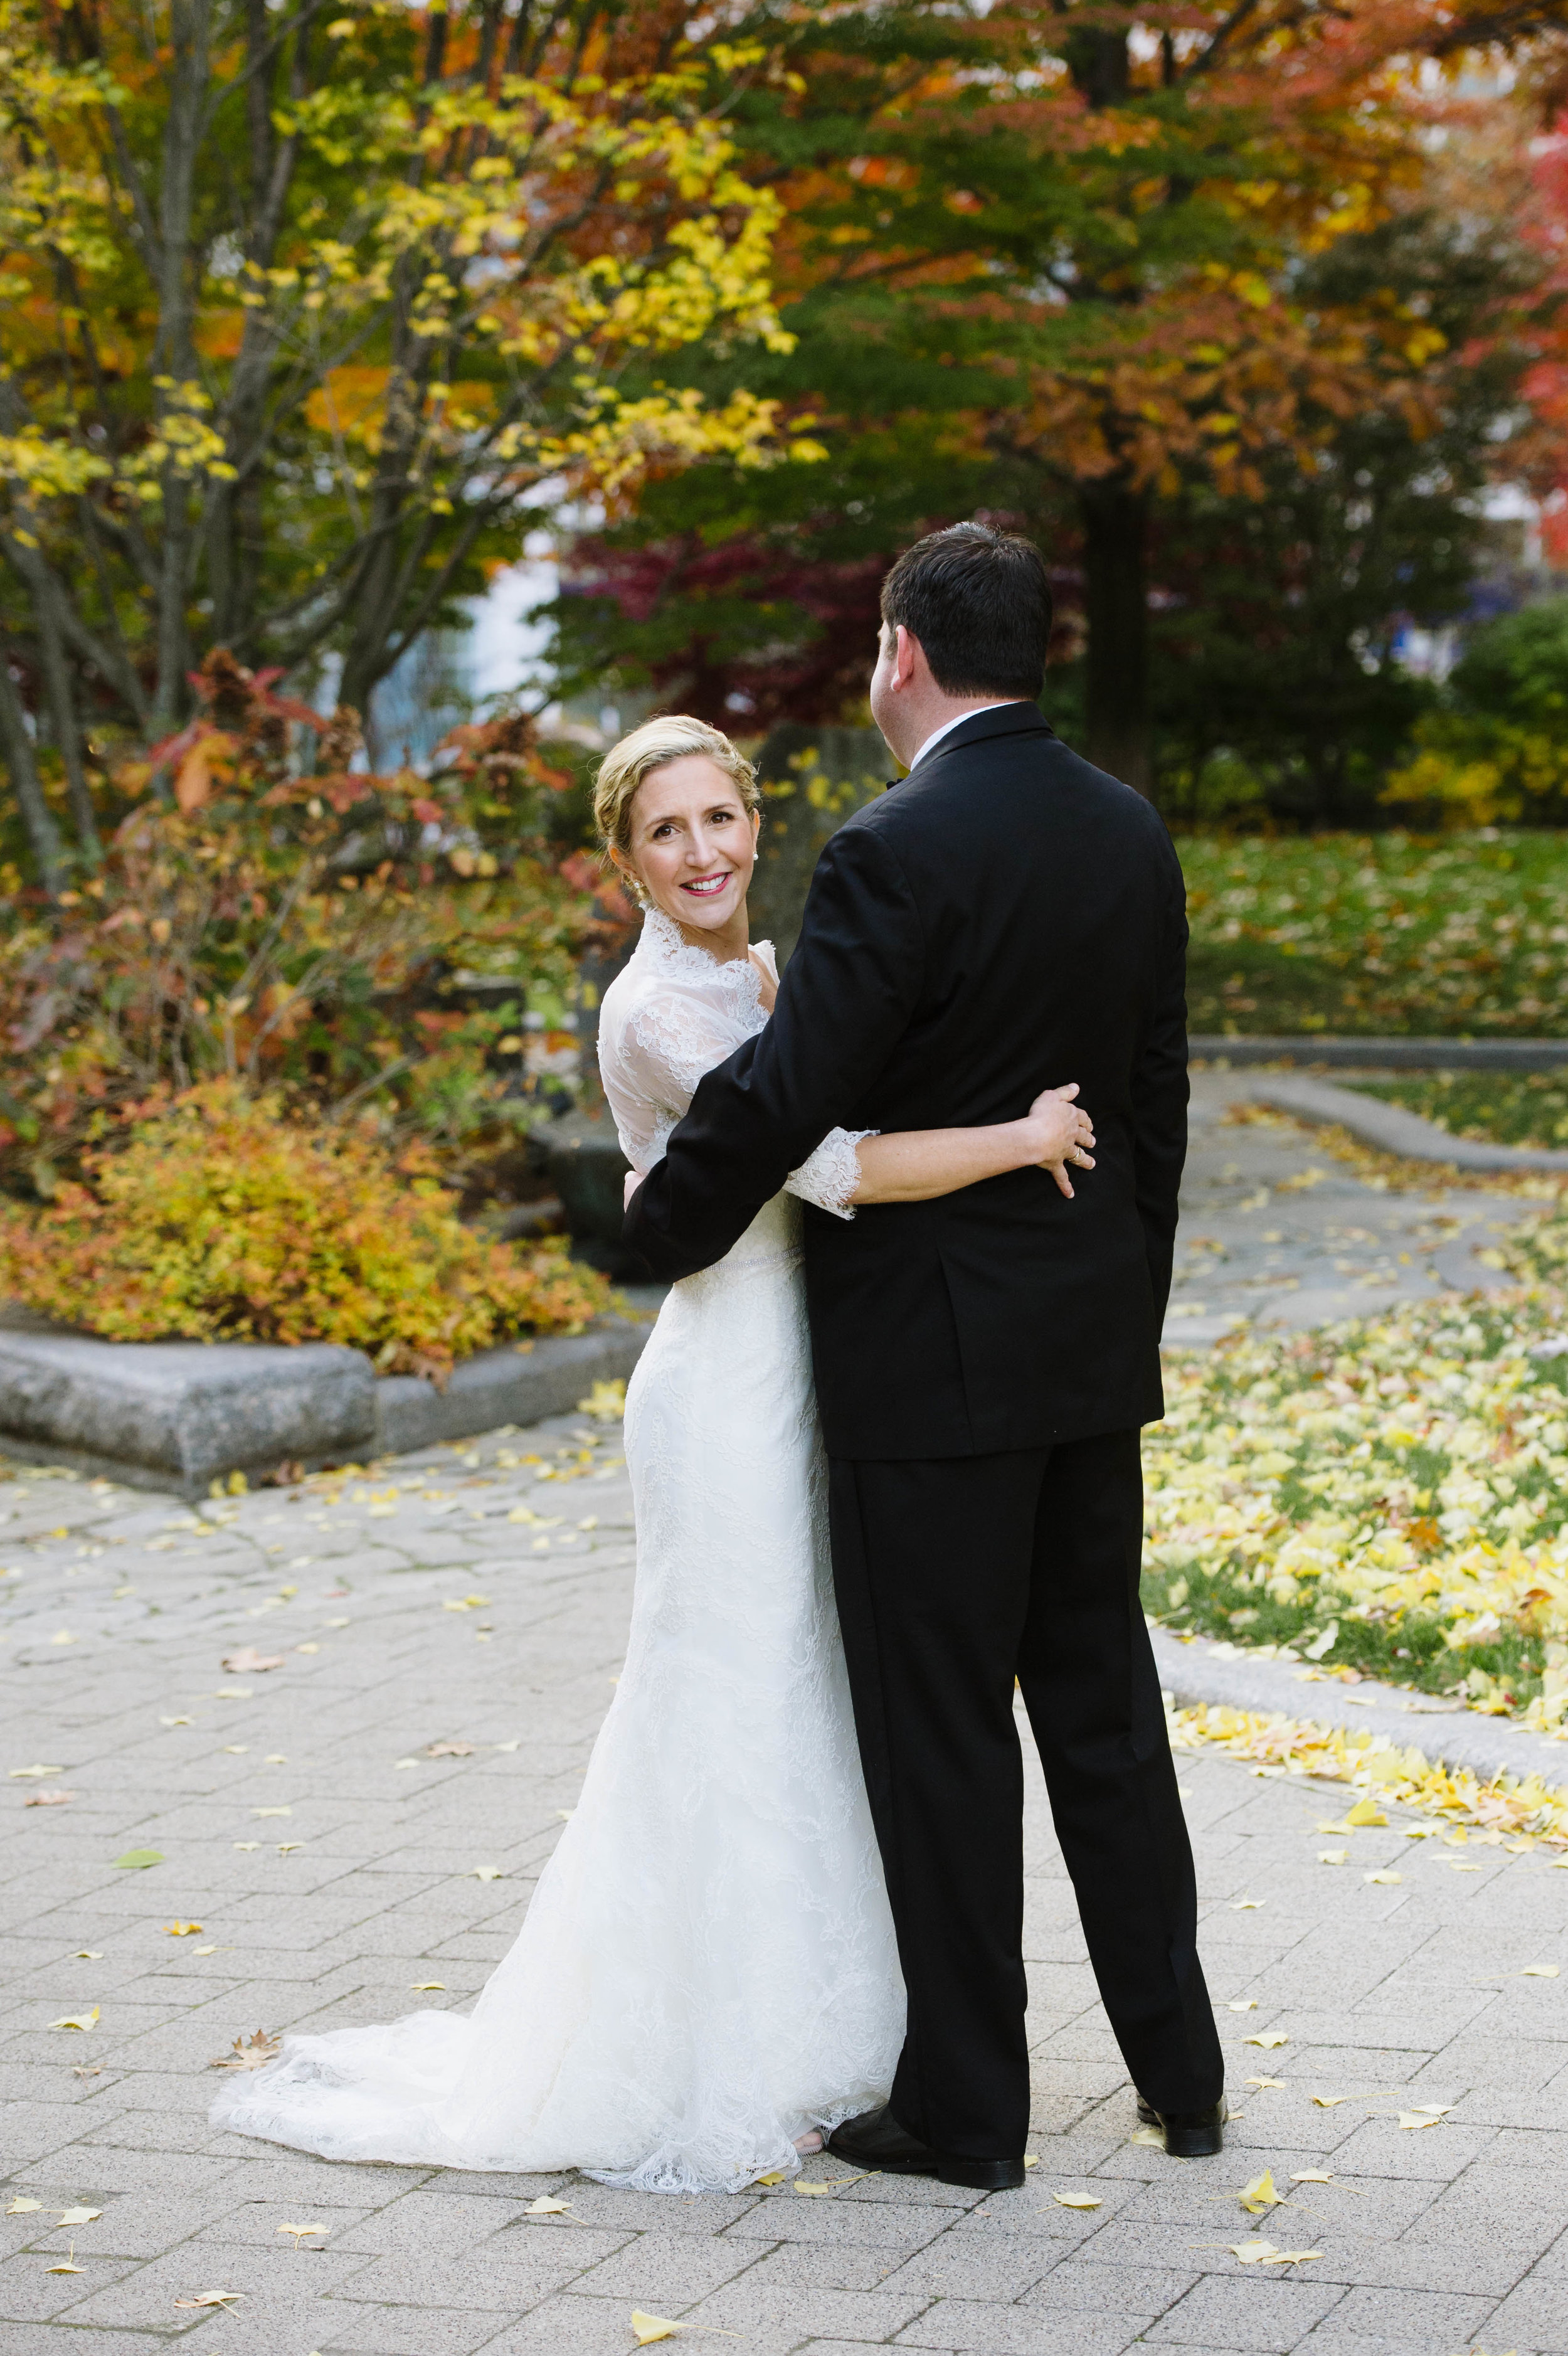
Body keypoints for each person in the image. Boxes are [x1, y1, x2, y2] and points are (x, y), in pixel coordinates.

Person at [207, 707, 1095, 2194]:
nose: (700, 851)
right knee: (731, 1698)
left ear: (756, 823)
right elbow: (837, 1172)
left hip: (815, 1374)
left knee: (811, 1691)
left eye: (718, 820)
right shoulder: (656, 1016)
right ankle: (723, 2049)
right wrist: (1021, 1136)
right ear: (622, 858)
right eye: (662, 831)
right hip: (728, 1388)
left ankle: (848, 2025)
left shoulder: (758, 971)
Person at [625, 521, 1227, 2191]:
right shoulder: (1127, 829)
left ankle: (969, 2111)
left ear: (899, 652)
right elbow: (1157, 1104)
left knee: (945, 1737)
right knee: (1103, 1719)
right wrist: (1119, 1304)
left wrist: (652, 1220)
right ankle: (1181, 2074)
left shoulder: (893, 849)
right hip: (1084, 1363)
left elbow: (786, 1087)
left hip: (922, 1382)